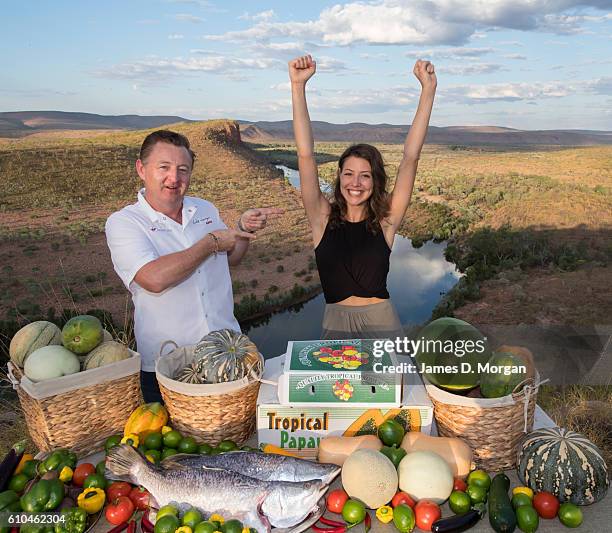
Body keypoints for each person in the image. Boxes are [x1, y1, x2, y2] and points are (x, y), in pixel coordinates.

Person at [105, 130, 283, 402]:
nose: (174, 178)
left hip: (228, 354)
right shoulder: (124, 223)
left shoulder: (204, 210)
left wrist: (242, 230)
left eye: (182, 170)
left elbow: (229, 258)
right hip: (171, 367)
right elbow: (153, 278)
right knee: (178, 443)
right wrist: (210, 242)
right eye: (163, 167)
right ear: (141, 169)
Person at [289, 55, 436, 340]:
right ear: (339, 177)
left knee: (390, 386)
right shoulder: (321, 218)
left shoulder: (386, 221)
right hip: (335, 326)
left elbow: (410, 157)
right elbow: (305, 155)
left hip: (383, 325)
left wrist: (428, 91)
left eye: (365, 175)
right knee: (334, 387)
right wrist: (298, 86)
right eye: (348, 174)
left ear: (375, 181)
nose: (355, 183)